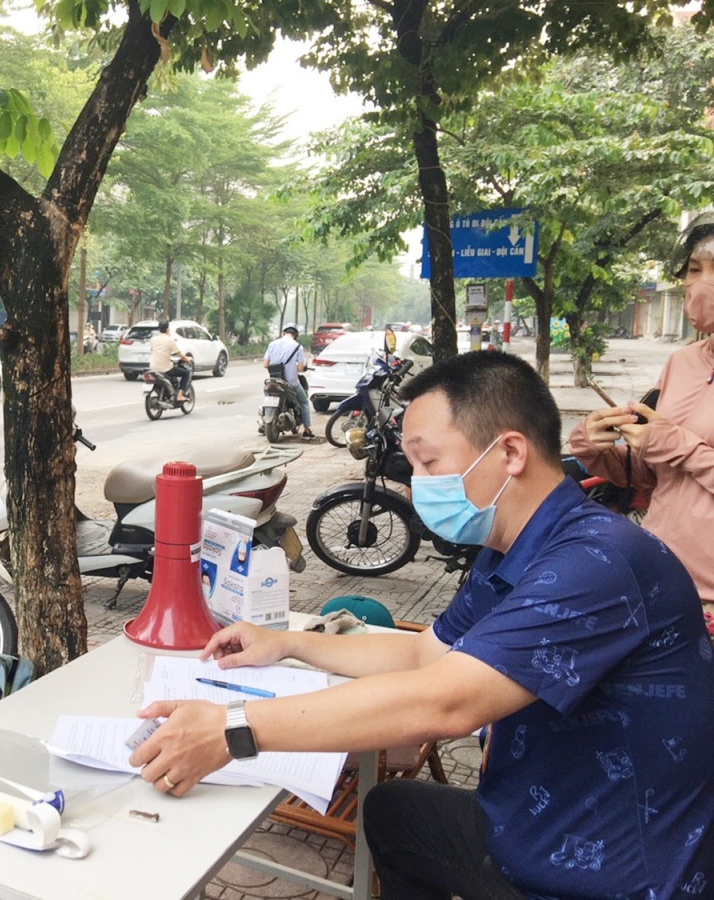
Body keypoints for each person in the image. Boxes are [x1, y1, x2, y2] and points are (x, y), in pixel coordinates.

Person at [129, 351, 713, 899]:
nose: (417, 482)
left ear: (510, 453)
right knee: (393, 813)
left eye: (429, 461)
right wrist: (285, 643)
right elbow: (422, 657)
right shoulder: (510, 548)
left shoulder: (599, 562)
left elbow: (444, 704)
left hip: (612, 877)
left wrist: (230, 730)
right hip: (532, 825)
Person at [570, 214, 714, 632]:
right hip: (658, 576)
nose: (699, 284)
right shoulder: (682, 361)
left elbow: (675, 449)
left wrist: (675, 443)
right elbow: (652, 476)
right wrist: (595, 448)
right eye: (693, 270)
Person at [263, 322, 316, 440]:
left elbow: (265, 364)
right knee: (304, 403)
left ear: (283, 332)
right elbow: (301, 369)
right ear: (295, 334)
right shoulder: (297, 347)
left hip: (274, 381)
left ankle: (263, 424)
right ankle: (307, 430)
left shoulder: (272, 344)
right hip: (291, 382)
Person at [149, 319, 193, 401]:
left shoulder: (153, 340)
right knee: (186, 374)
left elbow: (153, 350)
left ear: (159, 329)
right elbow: (181, 356)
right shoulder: (170, 340)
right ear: (167, 329)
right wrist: (188, 359)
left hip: (153, 368)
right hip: (165, 368)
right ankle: (180, 395)